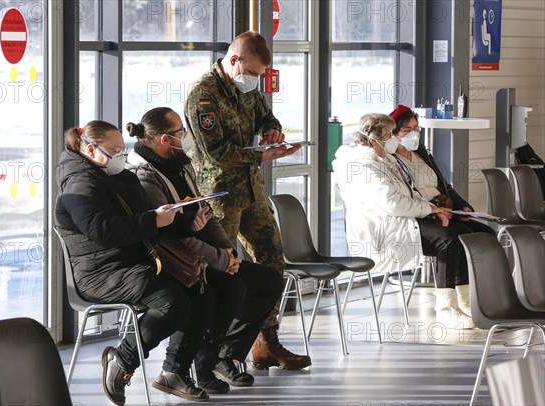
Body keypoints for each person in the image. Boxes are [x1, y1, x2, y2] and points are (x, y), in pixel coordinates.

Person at [125, 107, 284, 394]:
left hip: (204, 254)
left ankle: (225, 355)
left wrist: (227, 250)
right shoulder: (144, 177)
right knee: (228, 288)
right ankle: (204, 364)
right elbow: (173, 238)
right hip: (176, 261)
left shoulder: (180, 165)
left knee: (269, 282)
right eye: (179, 133)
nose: (184, 137)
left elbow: (204, 211)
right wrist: (222, 261)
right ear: (163, 139)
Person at [55, 120, 211, 404]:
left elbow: (142, 218)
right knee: (171, 302)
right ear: (90, 149)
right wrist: (153, 219)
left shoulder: (116, 176)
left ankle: (175, 371)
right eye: (114, 150)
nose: (120, 156)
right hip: (100, 272)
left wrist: (181, 221)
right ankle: (122, 360)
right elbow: (103, 231)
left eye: (121, 149)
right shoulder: (79, 183)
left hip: (132, 262)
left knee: (199, 287)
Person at [184, 30, 310, 370]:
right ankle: (212, 354)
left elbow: (265, 116)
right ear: (235, 60)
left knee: (272, 258)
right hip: (220, 195)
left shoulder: (248, 87)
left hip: (251, 190)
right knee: (222, 269)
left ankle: (265, 343)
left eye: (260, 74)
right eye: (252, 72)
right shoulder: (203, 95)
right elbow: (216, 152)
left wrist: (273, 131)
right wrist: (263, 158)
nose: (255, 79)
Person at [332, 113, 474, 329]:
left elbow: (409, 193)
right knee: (448, 239)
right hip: (383, 233)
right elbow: (393, 204)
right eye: (390, 134)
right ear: (373, 139)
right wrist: (430, 209)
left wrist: (434, 211)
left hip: (401, 221)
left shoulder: (384, 160)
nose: (393, 139)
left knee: (459, 234)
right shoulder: (364, 167)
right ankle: (446, 310)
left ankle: (464, 304)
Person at [389, 104, 496, 316]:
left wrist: (462, 206)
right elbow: (405, 197)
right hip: (423, 215)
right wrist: (433, 211)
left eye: (416, 128)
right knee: (457, 237)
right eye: (407, 130)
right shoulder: (392, 160)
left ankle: (475, 296)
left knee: (486, 234)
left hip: (444, 209)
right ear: (393, 134)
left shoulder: (421, 153)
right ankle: (449, 304)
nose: (414, 134)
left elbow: (445, 185)